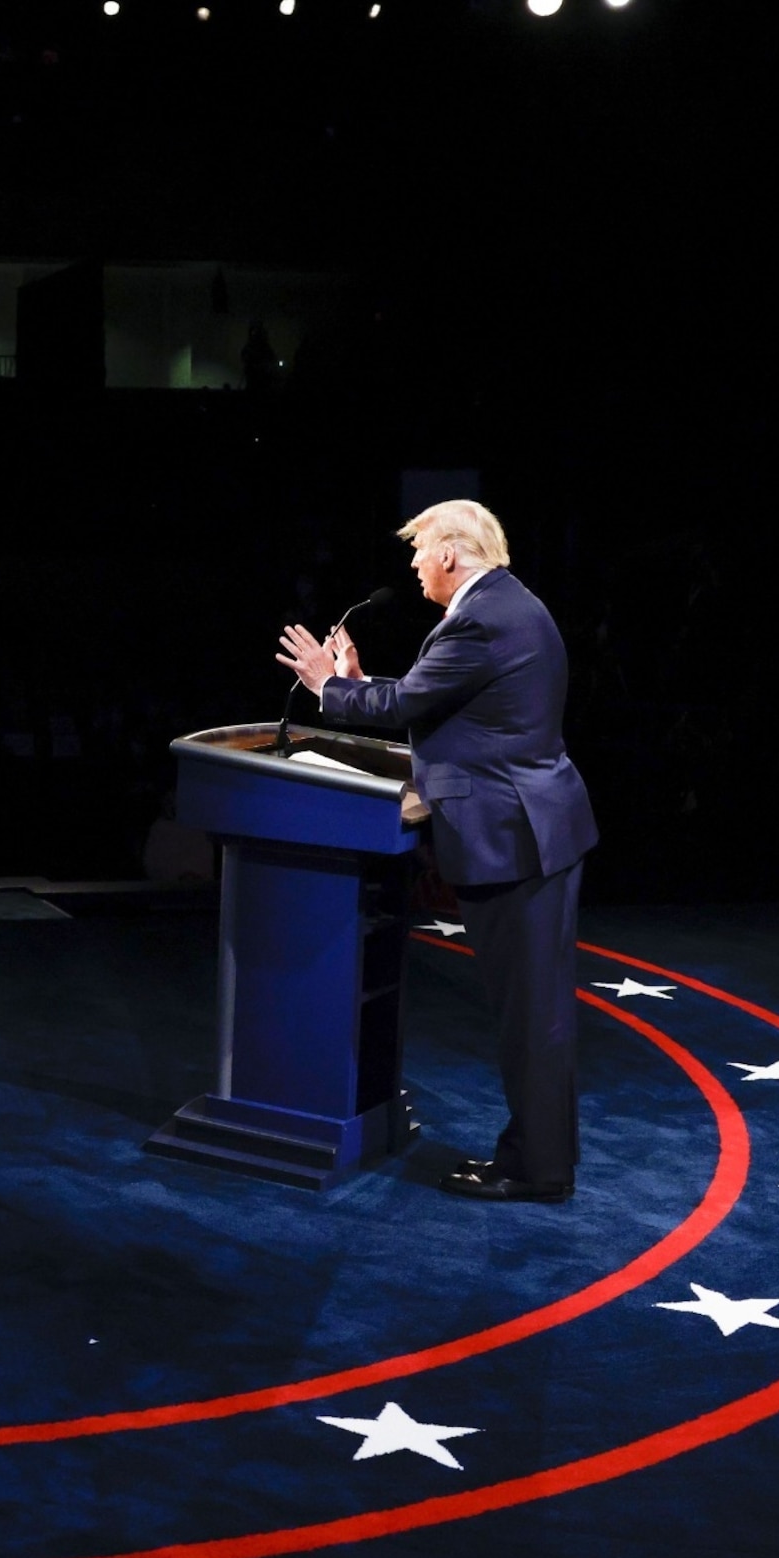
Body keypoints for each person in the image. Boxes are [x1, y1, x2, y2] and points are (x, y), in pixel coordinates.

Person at [275, 499, 597, 1204]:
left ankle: (537, 1170)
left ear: (450, 553)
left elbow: (406, 707)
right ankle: (537, 1157)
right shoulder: (507, 607)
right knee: (532, 1011)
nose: (416, 568)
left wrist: (327, 685)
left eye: (419, 553)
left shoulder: (483, 619)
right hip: (531, 828)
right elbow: (438, 706)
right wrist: (357, 686)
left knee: (531, 1015)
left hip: (516, 838)